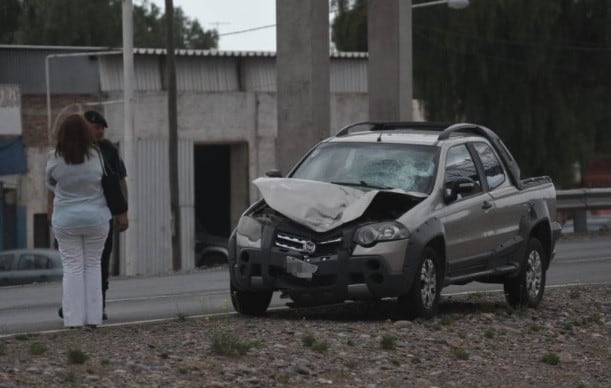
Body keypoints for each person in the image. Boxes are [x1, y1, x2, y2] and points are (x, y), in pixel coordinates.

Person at [46, 114, 111, 328]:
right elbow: (104, 179)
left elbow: (50, 183)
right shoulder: (97, 156)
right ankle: (93, 318)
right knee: (93, 266)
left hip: (66, 220)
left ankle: (73, 320)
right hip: (96, 218)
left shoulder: (54, 158)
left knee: (72, 267)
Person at [84, 110, 128, 320]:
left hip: (104, 214)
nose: (100, 131)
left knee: (101, 262)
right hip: (79, 214)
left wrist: (123, 211)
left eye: (102, 127)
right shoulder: (73, 149)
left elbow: (120, 181)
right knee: (77, 264)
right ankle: (75, 304)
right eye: (96, 127)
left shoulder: (108, 150)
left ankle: (98, 305)